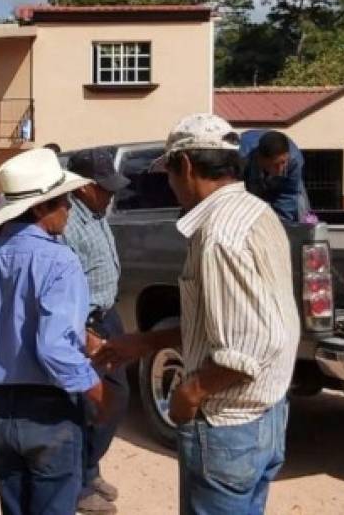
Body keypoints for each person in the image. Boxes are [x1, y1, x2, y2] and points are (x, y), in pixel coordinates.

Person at [95, 114, 300, 515]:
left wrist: (190, 394)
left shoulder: (219, 235)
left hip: (228, 423)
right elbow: (240, 319)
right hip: (267, 414)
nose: (171, 186)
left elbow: (249, 344)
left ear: (185, 166)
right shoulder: (256, 212)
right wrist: (149, 341)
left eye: (169, 174)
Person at [0, 148, 114, 515]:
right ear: (41, 208)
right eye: (63, 202)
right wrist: (98, 392)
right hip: (49, 412)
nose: (70, 209)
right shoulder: (60, 261)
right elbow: (53, 347)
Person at [62, 149, 130, 515]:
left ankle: (90, 467)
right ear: (85, 187)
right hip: (86, 322)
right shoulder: (69, 220)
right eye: (105, 188)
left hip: (108, 314)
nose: (111, 194)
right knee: (96, 400)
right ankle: (78, 483)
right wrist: (83, 330)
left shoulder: (96, 211)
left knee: (113, 398)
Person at [239, 129, 309, 223]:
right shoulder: (241, 156)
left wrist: (281, 224)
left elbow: (289, 195)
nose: (280, 169)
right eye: (275, 165)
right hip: (249, 181)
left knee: (299, 202)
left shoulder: (294, 160)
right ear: (261, 159)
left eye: (283, 162)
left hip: (281, 187)